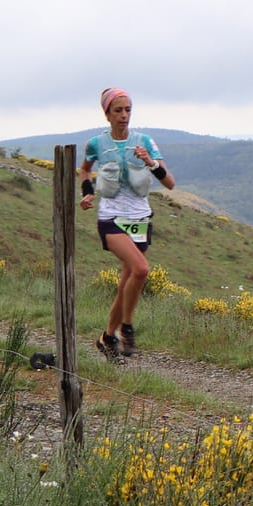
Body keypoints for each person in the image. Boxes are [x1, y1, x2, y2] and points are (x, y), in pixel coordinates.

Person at [79, 87, 175, 362]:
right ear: (106, 113)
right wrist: (87, 191)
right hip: (110, 218)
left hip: (139, 218)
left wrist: (150, 162)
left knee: (127, 282)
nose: (124, 116)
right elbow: (85, 169)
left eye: (128, 110)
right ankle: (127, 329)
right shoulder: (97, 143)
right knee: (142, 270)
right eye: (118, 110)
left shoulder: (145, 141)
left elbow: (170, 183)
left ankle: (107, 338)